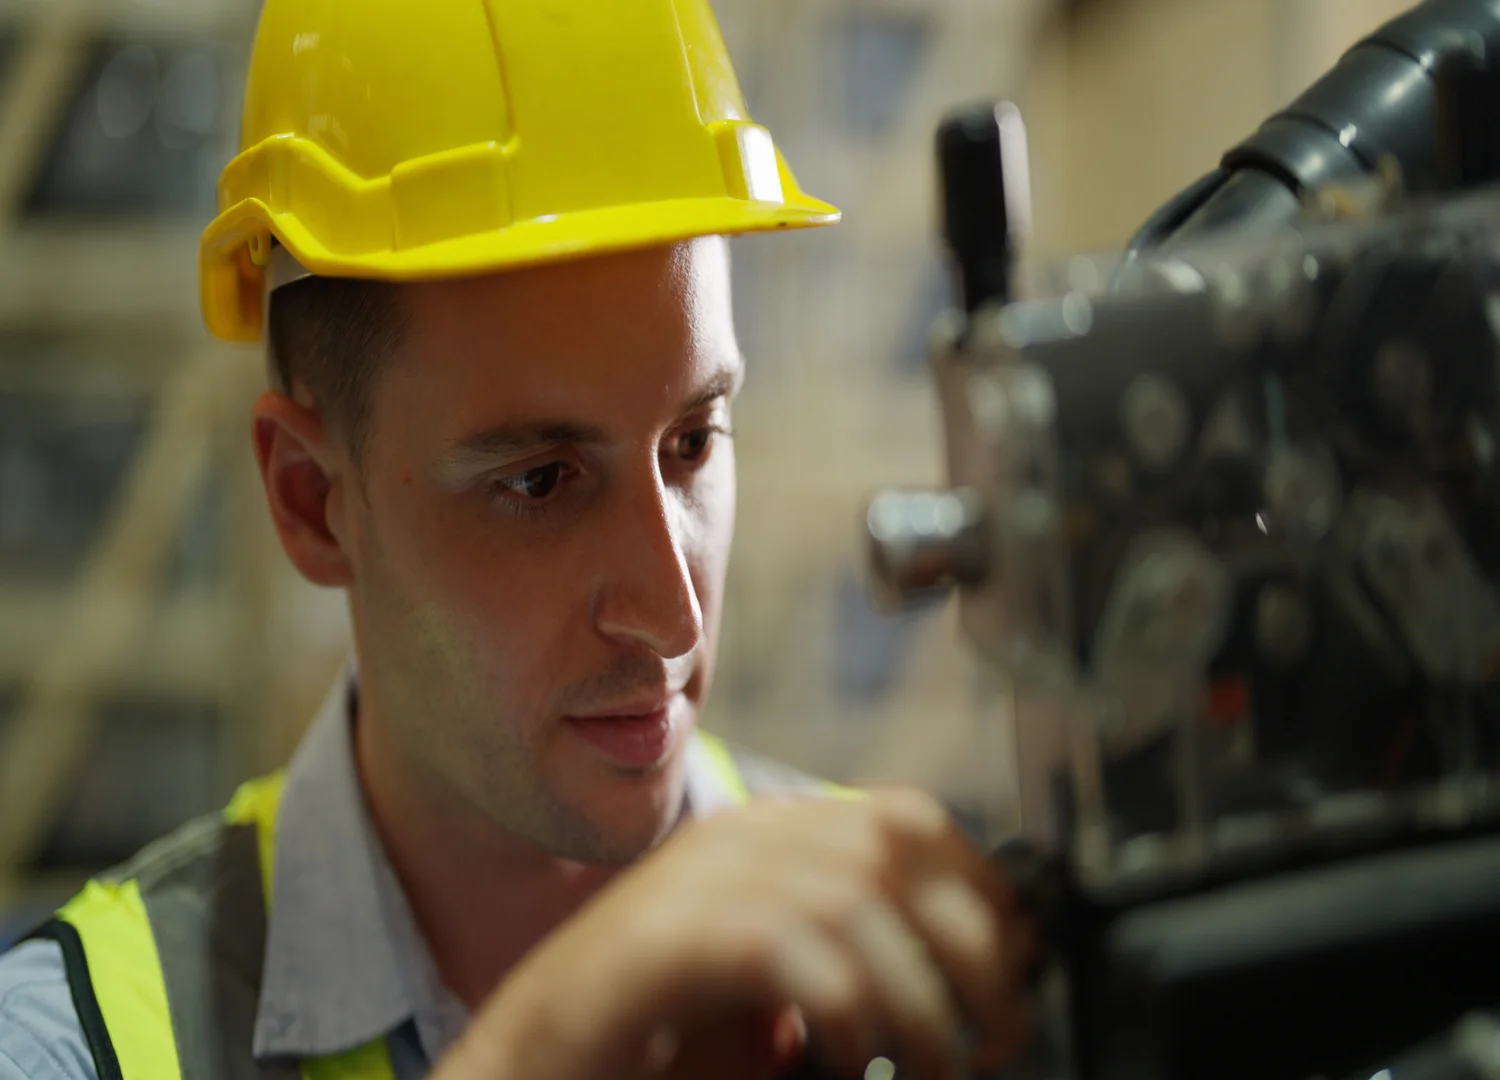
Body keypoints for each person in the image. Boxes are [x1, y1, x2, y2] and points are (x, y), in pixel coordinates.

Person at [0, 2, 1034, 1078]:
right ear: (312, 500)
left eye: (692, 442)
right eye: (540, 482)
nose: (672, 611)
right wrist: (559, 1028)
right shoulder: (80, 1039)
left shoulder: (904, 950)